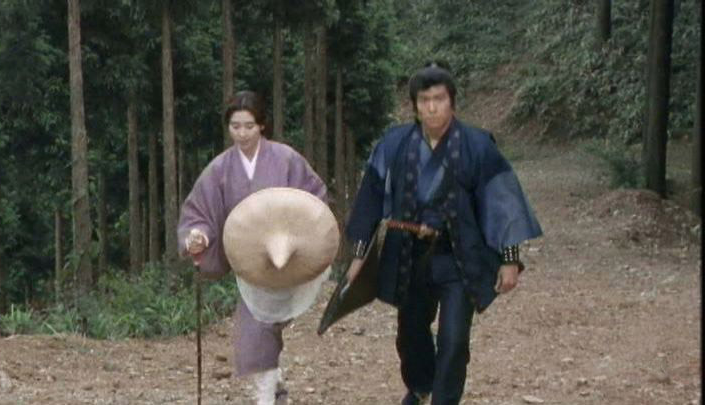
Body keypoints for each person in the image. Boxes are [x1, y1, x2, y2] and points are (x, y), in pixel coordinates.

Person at [344, 63, 542, 405]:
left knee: (454, 340)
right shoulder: (393, 144)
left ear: (452, 102)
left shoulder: (477, 145)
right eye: (425, 100)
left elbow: (501, 201)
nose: (432, 108)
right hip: (408, 256)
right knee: (410, 336)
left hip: (458, 257)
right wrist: (359, 255)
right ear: (415, 105)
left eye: (439, 99)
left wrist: (510, 258)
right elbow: (370, 199)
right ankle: (421, 387)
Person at [177, 90, 327, 405]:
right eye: (235, 126)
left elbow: (314, 198)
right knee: (255, 330)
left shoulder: (286, 159)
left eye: (249, 126)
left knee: (269, 328)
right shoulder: (220, 169)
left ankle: (272, 381)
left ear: (261, 125)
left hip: (289, 258)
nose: (242, 133)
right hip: (253, 266)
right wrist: (199, 236)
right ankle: (267, 394)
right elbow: (200, 211)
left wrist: (302, 235)